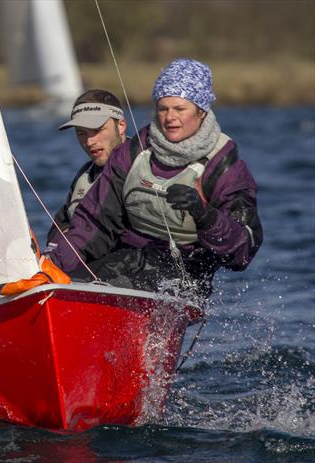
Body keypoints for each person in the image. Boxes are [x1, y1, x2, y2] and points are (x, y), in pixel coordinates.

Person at [45, 58, 262, 299]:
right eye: (163, 108)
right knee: (68, 283)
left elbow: (243, 251)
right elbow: (94, 223)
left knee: (125, 277)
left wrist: (204, 215)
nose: (170, 117)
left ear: (201, 112)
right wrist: (50, 269)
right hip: (127, 261)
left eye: (180, 109)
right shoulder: (132, 154)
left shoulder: (224, 167)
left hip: (185, 277)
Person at [46, 90, 128, 251]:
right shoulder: (85, 174)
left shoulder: (142, 167)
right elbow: (58, 230)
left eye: (97, 130)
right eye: (81, 133)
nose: (89, 141)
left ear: (121, 125)